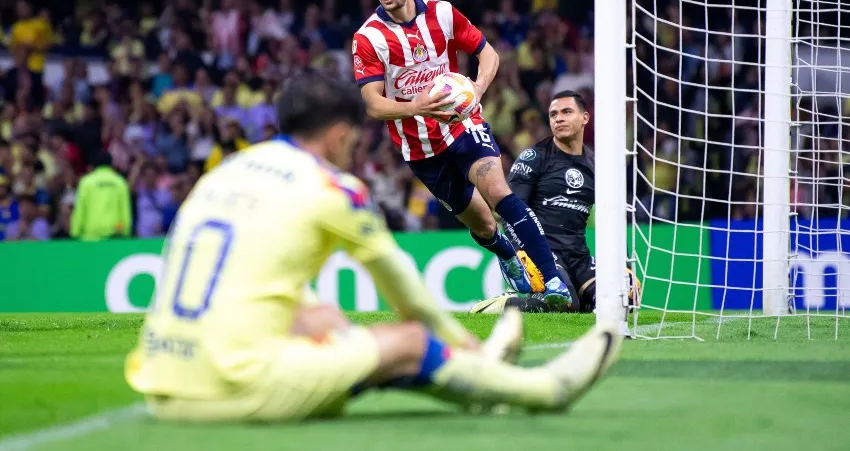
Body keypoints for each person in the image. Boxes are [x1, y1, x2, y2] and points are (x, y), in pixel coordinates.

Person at [124, 74, 622, 423]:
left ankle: (472, 380)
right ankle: (542, 389)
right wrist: (465, 346)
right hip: (233, 390)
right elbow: (407, 292)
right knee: (409, 341)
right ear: (339, 134)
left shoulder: (228, 170)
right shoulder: (331, 187)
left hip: (160, 387)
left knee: (320, 319)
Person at [352, 0, 573, 310]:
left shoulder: (443, 14)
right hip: (420, 147)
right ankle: (506, 254)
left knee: (500, 194)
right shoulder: (368, 37)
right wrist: (419, 106)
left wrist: (475, 90)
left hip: (462, 125)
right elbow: (373, 105)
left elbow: (488, 54)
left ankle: (553, 283)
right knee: (484, 226)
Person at [471, 91, 640, 314]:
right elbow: (509, 211)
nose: (558, 118)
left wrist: (623, 265)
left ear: (585, 118)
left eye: (567, 112)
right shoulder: (535, 157)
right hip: (542, 252)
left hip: (578, 255)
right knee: (564, 303)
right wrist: (520, 251)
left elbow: (612, 221)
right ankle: (503, 305)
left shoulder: (596, 166)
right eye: (553, 114)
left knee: (619, 300)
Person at [70, 151, 133, 241]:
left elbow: (80, 209)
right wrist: (125, 231)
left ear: (93, 165)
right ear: (111, 164)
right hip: (114, 236)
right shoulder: (120, 182)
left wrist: (75, 232)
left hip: (90, 237)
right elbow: (125, 210)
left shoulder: (86, 182)